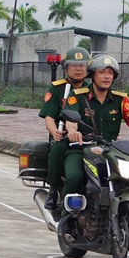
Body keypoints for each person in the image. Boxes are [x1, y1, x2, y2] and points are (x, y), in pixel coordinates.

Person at [60, 54, 129, 200]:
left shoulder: (120, 99)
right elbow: (71, 121)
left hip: (110, 150)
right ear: (92, 75)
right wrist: (73, 131)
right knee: (74, 177)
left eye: (110, 73)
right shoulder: (78, 96)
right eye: (102, 72)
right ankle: (65, 217)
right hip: (81, 148)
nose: (106, 77)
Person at [39, 47, 92, 210]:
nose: (78, 69)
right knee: (58, 148)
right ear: (66, 68)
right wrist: (54, 131)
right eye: (73, 65)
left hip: (86, 136)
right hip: (62, 134)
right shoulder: (57, 88)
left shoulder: (91, 89)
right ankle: (53, 191)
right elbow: (49, 116)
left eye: (82, 65)